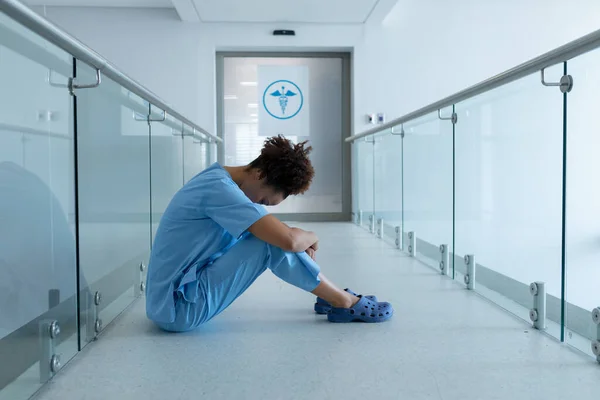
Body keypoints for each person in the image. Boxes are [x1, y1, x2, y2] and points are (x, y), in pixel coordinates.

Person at [145, 135, 393, 332]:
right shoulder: (220, 190)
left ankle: (333, 296)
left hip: (173, 299)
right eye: (263, 199)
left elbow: (280, 234)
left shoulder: (217, 178)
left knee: (273, 237)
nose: (258, 205)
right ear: (260, 173)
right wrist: (310, 234)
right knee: (271, 243)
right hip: (177, 310)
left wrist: (293, 236)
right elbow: (287, 240)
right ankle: (343, 302)